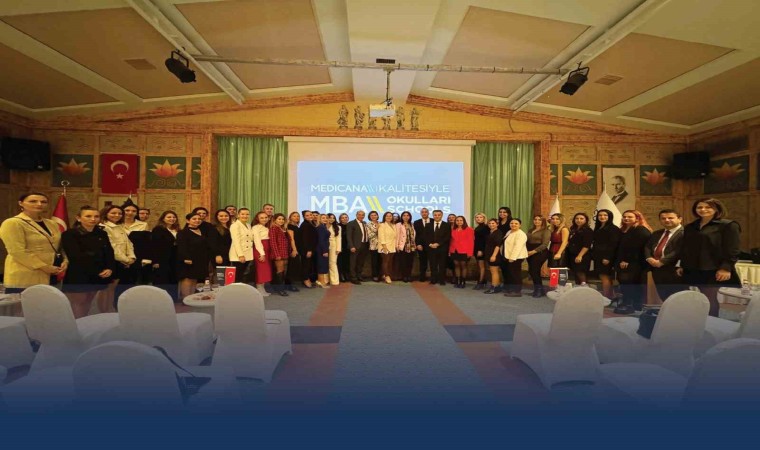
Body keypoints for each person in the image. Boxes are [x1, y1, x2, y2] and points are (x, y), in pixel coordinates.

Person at [680, 198, 741, 317]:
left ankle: (711, 324)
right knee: (698, 298)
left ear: (717, 209)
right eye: (700, 207)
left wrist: (726, 268)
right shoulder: (690, 226)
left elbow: (733, 248)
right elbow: (686, 248)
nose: (703, 209)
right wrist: (682, 265)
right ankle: (697, 322)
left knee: (710, 298)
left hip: (714, 268)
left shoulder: (728, 225)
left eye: (708, 207)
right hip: (693, 267)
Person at [0, 192, 67, 292]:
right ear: (21, 203)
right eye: (33, 201)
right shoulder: (12, 223)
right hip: (25, 275)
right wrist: (44, 267)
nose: (39, 204)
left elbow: (59, 245)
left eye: (43, 202)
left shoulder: (52, 223)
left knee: (46, 301)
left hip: (52, 273)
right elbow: (17, 251)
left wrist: (65, 260)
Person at [61, 206, 114, 318]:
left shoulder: (101, 233)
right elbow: (75, 256)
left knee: (88, 301)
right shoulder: (70, 234)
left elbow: (109, 251)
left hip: (99, 274)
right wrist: (97, 270)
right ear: (78, 218)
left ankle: (84, 324)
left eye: (96, 216)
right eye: (88, 216)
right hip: (79, 274)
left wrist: (109, 268)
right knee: (78, 303)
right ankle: (77, 326)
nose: (93, 219)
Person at [614, 210, 653, 315]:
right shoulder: (626, 229)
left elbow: (637, 247)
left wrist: (627, 260)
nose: (626, 218)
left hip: (633, 263)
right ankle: (629, 304)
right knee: (626, 284)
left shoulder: (640, 230)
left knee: (631, 284)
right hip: (625, 261)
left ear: (637, 218)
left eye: (630, 217)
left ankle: (631, 306)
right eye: (624, 216)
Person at [644, 209, 684, 302]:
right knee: (663, 294)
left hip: (674, 269)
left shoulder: (685, 233)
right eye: (663, 218)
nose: (666, 220)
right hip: (657, 268)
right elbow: (647, 247)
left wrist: (662, 261)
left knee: (677, 296)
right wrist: (649, 258)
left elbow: (679, 250)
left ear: (680, 219)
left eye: (670, 218)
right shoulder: (657, 233)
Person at [101, 205, 135, 310]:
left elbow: (128, 243)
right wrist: (126, 260)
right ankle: (104, 312)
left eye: (119, 213)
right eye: (113, 213)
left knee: (113, 289)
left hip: (121, 261)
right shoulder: (104, 227)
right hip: (111, 261)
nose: (117, 215)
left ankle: (109, 309)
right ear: (106, 214)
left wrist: (131, 257)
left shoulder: (119, 226)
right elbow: (112, 247)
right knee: (106, 290)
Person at [176, 212, 211, 300]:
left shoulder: (202, 231)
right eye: (194, 219)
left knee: (195, 279)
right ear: (188, 221)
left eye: (199, 219)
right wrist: (186, 258)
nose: (197, 220)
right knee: (188, 279)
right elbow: (181, 247)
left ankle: (191, 299)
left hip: (201, 259)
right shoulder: (183, 232)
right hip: (189, 259)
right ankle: (185, 299)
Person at [592, 209, 621, 300]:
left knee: (605, 277)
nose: (602, 217)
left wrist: (608, 257)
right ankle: (610, 296)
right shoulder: (599, 227)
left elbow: (613, 244)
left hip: (606, 257)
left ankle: (607, 297)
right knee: (602, 276)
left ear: (610, 217)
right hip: (598, 256)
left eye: (605, 215)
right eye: (600, 215)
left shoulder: (613, 229)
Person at [122, 200, 152, 285]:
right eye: (127, 210)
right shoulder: (117, 224)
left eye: (134, 211)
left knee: (135, 279)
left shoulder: (143, 225)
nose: (130, 213)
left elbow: (145, 242)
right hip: (120, 254)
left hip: (137, 254)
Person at [151, 210, 179, 301]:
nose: (172, 219)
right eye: (169, 217)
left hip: (174, 259)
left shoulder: (177, 229)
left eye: (174, 217)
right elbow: (154, 245)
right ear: (163, 219)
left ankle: (172, 300)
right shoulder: (158, 229)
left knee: (173, 279)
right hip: (162, 259)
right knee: (162, 280)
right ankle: (161, 300)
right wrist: (155, 261)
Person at [526, 215, 550, 298]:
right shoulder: (531, 230)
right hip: (529, 252)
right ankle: (539, 289)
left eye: (539, 220)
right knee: (532, 271)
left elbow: (545, 244)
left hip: (540, 252)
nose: (537, 221)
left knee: (534, 271)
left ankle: (539, 290)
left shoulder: (546, 231)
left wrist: (533, 251)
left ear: (543, 221)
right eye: (535, 219)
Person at [566, 212, 593, 286]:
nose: (579, 220)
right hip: (572, 254)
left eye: (581, 219)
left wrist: (580, 256)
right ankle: (578, 288)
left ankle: (584, 287)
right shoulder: (573, 229)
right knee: (575, 273)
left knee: (580, 272)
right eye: (577, 218)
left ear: (586, 220)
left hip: (582, 255)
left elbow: (587, 245)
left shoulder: (588, 230)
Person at [502, 218, 528, 297]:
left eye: (516, 223)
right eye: (512, 223)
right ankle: (511, 289)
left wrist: (512, 258)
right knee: (511, 273)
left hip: (516, 257)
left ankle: (517, 291)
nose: (513, 225)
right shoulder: (509, 232)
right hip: (508, 256)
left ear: (520, 225)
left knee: (515, 274)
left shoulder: (521, 234)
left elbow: (518, 247)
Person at [425, 210, 451, 285]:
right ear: (433, 216)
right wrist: (430, 244)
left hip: (442, 248)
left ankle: (442, 280)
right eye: (435, 215)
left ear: (442, 215)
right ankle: (433, 279)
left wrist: (438, 244)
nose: (437, 216)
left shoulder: (446, 225)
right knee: (433, 265)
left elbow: (447, 237)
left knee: (442, 265)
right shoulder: (428, 225)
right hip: (431, 248)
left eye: (439, 215)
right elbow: (425, 236)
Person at [229, 208, 254, 284]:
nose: (245, 216)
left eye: (247, 214)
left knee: (244, 275)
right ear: (238, 215)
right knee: (238, 275)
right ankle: (237, 290)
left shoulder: (248, 225)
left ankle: (242, 288)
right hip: (238, 254)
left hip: (248, 253)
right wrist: (240, 255)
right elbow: (236, 241)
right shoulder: (235, 225)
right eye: (242, 214)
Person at [268, 213, 291, 297]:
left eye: (282, 219)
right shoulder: (273, 228)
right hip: (278, 253)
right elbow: (273, 242)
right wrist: (277, 254)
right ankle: (280, 289)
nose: (281, 221)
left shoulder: (283, 228)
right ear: (274, 220)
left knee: (283, 271)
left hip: (285, 252)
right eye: (279, 219)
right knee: (280, 271)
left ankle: (281, 287)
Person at [449, 215, 474, 288]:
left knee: (463, 266)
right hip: (454, 250)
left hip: (464, 251)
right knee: (456, 265)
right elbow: (451, 241)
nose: (459, 222)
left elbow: (471, 242)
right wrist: (449, 251)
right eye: (457, 220)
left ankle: (463, 281)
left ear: (464, 221)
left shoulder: (469, 229)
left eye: (461, 220)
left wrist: (470, 253)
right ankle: (458, 281)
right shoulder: (453, 230)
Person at [251, 211, 272, 297]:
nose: (264, 219)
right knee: (261, 269)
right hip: (260, 250)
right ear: (257, 219)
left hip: (267, 250)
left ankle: (262, 288)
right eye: (262, 218)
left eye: (266, 217)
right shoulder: (256, 227)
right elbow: (257, 241)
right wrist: (262, 253)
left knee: (265, 269)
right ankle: (259, 288)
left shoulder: (266, 227)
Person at [346, 210, 369, 284]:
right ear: (356, 215)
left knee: (361, 262)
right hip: (355, 246)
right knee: (353, 263)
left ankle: (359, 276)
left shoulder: (365, 223)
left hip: (364, 245)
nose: (361, 216)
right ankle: (353, 278)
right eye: (359, 214)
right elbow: (349, 236)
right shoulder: (351, 223)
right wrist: (351, 246)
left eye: (363, 215)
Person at [208, 209, 232, 276]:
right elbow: (212, 243)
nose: (224, 217)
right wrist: (217, 255)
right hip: (220, 256)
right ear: (217, 217)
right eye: (221, 216)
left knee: (228, 276)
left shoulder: (231, 227)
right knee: (220, 276)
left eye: (226, 216)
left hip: (229, 255)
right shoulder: (213, 228)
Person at [483, 219, 504, 294]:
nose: (491, 225)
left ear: (497, 224)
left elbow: (498, 245)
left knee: (494, 271)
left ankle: (494, 287)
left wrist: (494, 256)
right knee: (493, 271)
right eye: (490, 223)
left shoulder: (498, 233)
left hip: (495, 254)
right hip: (489, 253)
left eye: (493, 223)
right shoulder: (490, 232)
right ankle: (497, 286)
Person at [395, 211, 416, 283]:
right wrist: (397, 245)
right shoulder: (399, 224)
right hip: (403, 246)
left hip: (412, 246)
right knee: (403, 262)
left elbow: (413, 235)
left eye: (407, 215)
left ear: (410, 217)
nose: (406, 217)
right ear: (402, 217)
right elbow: (397, 235)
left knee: (410, 262)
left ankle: (409, 276)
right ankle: (404, 276)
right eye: (404, 215)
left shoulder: (412, 224)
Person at [377, 212, 397, 284]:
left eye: (390, 216)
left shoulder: (393, 225)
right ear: (384, 217)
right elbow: (381, 236)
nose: (389, 217)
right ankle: (387, 276)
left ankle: (385, 274)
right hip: (384, 246)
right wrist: (384, 247)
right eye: (387, 216)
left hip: (392, 246)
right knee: (385, 261)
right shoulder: (382, 225)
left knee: (390, 262)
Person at [413, 208, 433, 281]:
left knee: (433, 262)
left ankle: (433, 277)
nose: (424, 213)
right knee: (422, 262)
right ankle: (422, 277)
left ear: (428, 213)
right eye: (422, 212)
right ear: (421, 213)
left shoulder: (433, 221)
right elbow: (416, 235)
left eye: (425, 212)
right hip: (421, 246)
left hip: (432, 246)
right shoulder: (416, 222)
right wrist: (418, 244)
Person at [299, 210, 317, 288]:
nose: (310, 216)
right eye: (307, 215)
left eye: (310, 215)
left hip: (310, 249)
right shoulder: (305, 225)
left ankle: (307, 279)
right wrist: (309, 250)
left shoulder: (310, 224)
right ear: (304, 217)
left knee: (308, 265)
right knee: (306, 265)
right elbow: (305, 239)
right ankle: (305, 280)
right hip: (306, 250)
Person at [285, 212, 302, 292]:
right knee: (291, 267)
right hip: (293, 249)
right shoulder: (290, 226)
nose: (296, 217)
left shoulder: (296, 226)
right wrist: (294, 250)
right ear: (290, 217)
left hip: (297, 248)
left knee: (295, 266)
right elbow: (291, 239)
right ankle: (289, 285)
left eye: (298, 216)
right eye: (294, 216)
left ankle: (290, 284)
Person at [472, 213, 489, 290]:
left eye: (480, 217)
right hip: (476, 249)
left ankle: (480, 282)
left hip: (481, 249)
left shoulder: (485, 227)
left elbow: (485, 240)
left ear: (484, 218)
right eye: (477, 217)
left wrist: (481, 250)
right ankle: (483, 281)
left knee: (482, 267)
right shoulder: (478, 227)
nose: (478, 218)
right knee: (479, 266)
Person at [314, 214, 331, 288]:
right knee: (322, 265)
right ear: (319, 219)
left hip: (322, 248)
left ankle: (319, 281)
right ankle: (321, 282)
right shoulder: (321, 228)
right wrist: (324, 251)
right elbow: (321, 240)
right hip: (321, 249)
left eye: (326, 218)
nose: (325, 219)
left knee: (322, 265)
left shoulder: (323, 227)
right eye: (323, 218)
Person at [327, 213, 342, 285]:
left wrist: (338, 249)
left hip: (333, 246)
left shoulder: (338, 227)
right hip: (324, 246)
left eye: (333, 218)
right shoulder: (323, 226)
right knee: (324, 263)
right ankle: (326, 280)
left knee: (332, 263)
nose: (332, 219)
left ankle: (334, 281)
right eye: (330, 217)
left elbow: (338, 238)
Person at [366, 211, 381, 282]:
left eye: (375, 215)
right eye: (372, 215)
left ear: (377, 216)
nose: (373, 216)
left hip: (382, 245)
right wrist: (376, 229)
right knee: (374, 262)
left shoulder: (381, 223)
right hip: (373, 246)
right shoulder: (368, 224)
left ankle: (380, 275)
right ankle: (375, 276)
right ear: (369, 216)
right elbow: (369, 236)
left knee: (380, 261)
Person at [337, 213, 351, 282]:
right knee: (340, 262)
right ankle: (341, 275)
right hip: (340, 247)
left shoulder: (350, 225)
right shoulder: (338, 226)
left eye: (346, 217)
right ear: (340, 219)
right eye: (342, 218)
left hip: (348, 247)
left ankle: (346, 274)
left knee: (347, 262)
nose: (344, 219)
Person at [446, 213, 457, 283]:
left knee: (455, 262)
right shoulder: (445, 226)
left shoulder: (459, 227)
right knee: (448, 262)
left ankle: (455, 277)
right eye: (449, 217)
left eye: (453, 217)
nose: (451, 218)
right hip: (446, 246)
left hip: (456, 247)